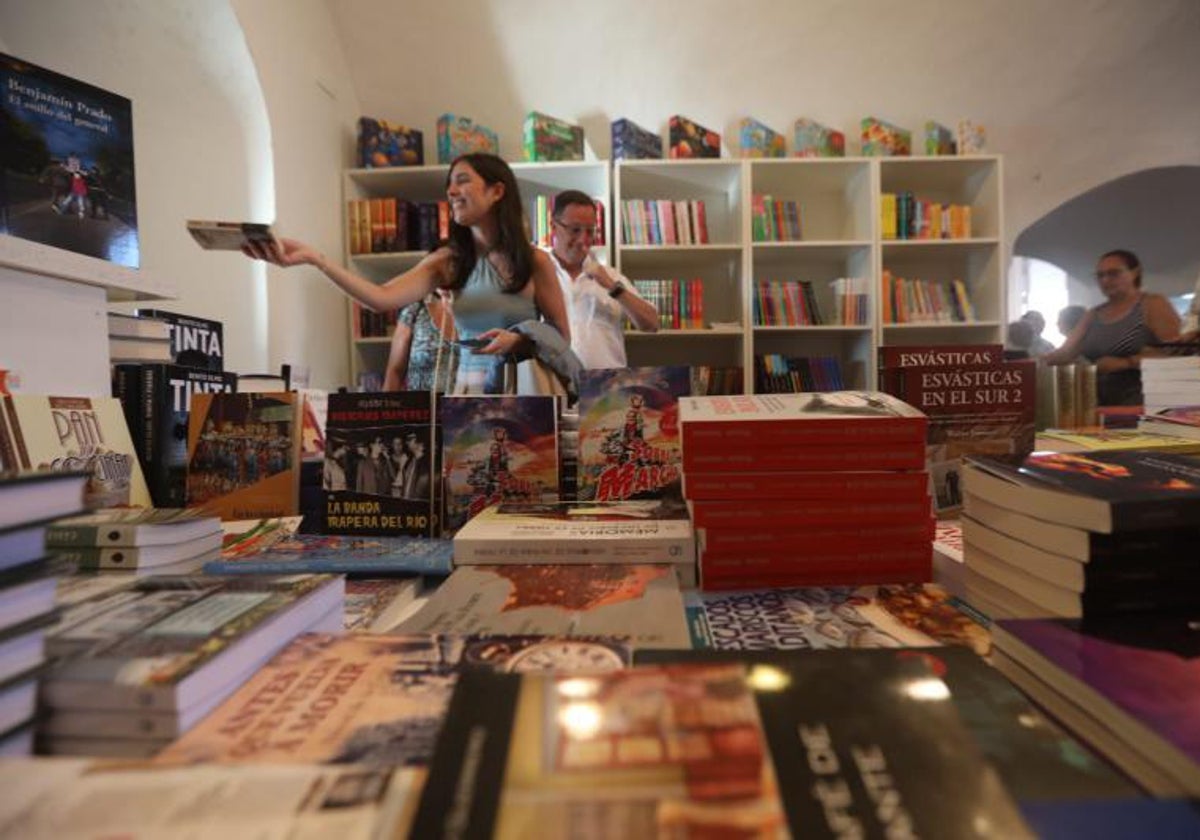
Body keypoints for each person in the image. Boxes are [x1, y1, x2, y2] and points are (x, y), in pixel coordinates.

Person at [243, 153, 578, 395]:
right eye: (449, 184)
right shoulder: (447, 261)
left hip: (527, 395)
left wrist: (518, 340)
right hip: (468, 395)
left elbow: (562, 335)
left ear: (497, 191)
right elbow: (380, 297)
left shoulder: (535, 261)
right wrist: (316, 259)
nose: (451, 191)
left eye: (463, 181)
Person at [1041, 249, 1181, 405]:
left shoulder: (1152, 304)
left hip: (1144, 401)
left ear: (1135, 273)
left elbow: (1178, 352)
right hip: (1100, 402)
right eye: (1100, 275)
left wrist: (1127, 363)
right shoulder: (1093, 314)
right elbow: (1064, 353)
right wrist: (1026, 364)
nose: (1106, 280)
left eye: (1114, 273)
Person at [546, 190, 658, 368]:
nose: (583, 239)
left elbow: (652, 324)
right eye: (575, 230)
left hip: (605, 388)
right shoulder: (538, 274)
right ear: (553, 227)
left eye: (590, 231)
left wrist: (613, 287)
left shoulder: (611, 277)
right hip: (552, 385)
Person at [383, 292, 459, 392]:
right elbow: (394, 373)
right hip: (421, 404)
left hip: (474, 404)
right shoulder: (415, 310)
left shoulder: (482, 312)